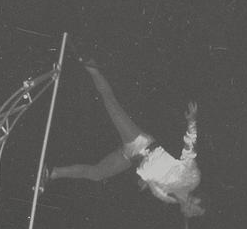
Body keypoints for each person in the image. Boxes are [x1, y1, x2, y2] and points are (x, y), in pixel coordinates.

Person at [46, 59, 205, 219]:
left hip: (132, 158)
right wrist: (192, 122)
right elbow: (189, 150)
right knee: (111, 104)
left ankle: (52, 173)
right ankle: (93, 69)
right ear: (198, 201)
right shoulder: (191, 179)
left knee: (97, 174)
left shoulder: (171, 199)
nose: (192, 213)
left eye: (194, 214)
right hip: (141, 144)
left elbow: (157, 176)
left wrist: (146, 181)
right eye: (196, 210)